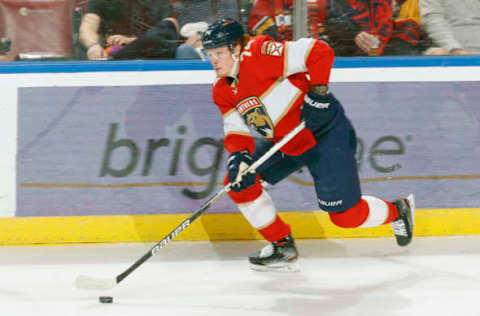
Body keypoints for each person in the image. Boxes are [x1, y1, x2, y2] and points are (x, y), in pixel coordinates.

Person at [201, 18, 415, 271]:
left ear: (236, 48)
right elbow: (236, 129)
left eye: (219, 53)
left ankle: (397, 211)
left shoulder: (260, 52)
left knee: (346, 217)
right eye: (209, 54)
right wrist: (239, 156)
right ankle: (282, 245)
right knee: (238, 183)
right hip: (285, 143)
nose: (213, 60)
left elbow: (319, 51)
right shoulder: (221, 89)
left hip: (324, 133)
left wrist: (319, 94)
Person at [248, 0, 393, 57]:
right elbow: (258, 21)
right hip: (282, 63)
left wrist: (355, 35)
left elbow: (337, 21)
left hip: (318, 61)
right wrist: (278, 51)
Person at [79, 0, 179, 60]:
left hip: (151, 60)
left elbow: (170, 26)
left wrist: (130, 41)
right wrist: (93, 46)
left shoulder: (157, 2)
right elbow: (88, 25)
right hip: (111, 62)